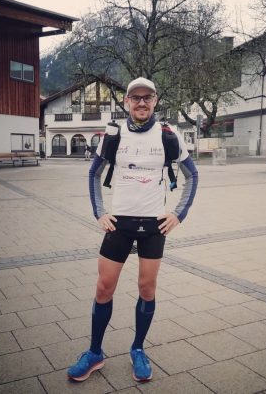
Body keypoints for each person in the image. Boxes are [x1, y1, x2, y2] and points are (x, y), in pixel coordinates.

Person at [67, 77, 198, 383]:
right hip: (120, 224)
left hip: (153, 226)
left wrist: (179, 214)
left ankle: (138, 349)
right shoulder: (113, 134)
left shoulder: (169, 135)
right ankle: (95, 352)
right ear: (126, 102)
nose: (141, 102)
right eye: (135, 97)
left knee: (147, 289)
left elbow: (193, 175)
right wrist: (100, 211)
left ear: (155, 101)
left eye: (147, 97)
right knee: (104, 288)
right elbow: (93, 173)